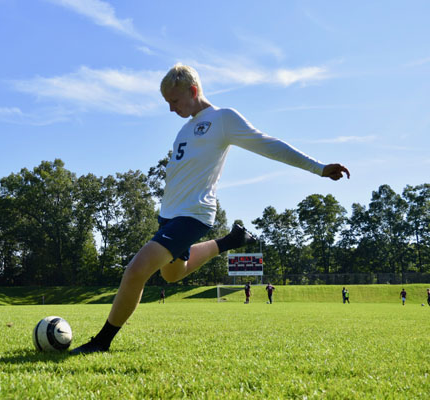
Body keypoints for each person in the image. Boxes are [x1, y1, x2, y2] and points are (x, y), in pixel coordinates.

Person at [70, 63, 350, 355]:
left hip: (193, 214)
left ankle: (101, 342)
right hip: (168, 217)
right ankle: (230, 241)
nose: (170, 109)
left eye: (174, 101)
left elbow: (268, 144)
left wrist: (318, 168)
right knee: (172, 276)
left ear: (193, 91)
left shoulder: (222, 119)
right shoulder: (184, 129)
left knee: (136, 271)